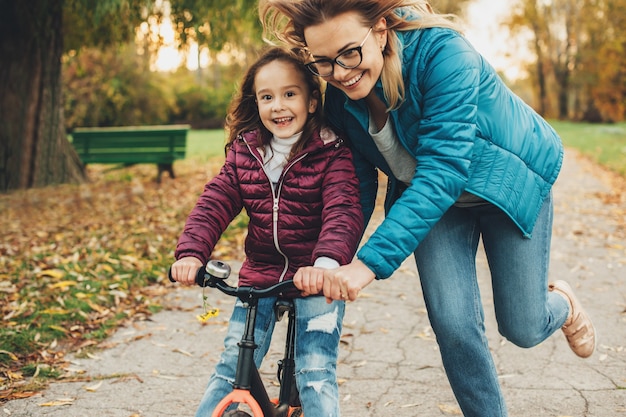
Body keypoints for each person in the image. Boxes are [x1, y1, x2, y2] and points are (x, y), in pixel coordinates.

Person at [259, 1, 597, 416]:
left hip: (506, 184)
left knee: (523, 327)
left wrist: (365, 266)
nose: (341, 73)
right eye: (324, 63)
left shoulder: (444, 54)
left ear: (380, 30)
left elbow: (443, 171)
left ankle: (560, 303)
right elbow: (355, 189)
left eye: (350, 53)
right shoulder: (340, 100)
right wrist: (328, 260)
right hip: (435, 203)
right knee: (454, 326)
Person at [170, 46, 364, 417]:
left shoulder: (332, 152)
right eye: (267, 97)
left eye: (289, 94)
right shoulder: (247, 152)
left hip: (317, 277)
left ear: (311, 101)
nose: (278, 106)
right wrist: (192, 253)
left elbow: (343, 210)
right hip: (260, 276)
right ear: (255, 103)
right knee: (232, 368)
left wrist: (325, 265)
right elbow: (215, 202)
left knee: (315, 372)